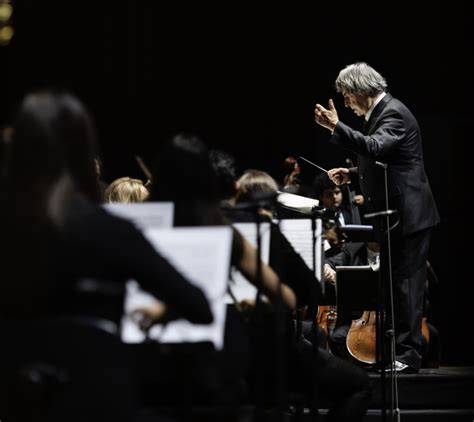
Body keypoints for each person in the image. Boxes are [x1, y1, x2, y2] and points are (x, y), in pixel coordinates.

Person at [0, 91, 212, 326]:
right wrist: (160, 313)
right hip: (96, 361)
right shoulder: (113, 231)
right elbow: (200, 308)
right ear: (84, 152)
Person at [314, 62, 440, 373]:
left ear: (361, 90)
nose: (345, 103)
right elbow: (387, 160)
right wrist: (353, 173)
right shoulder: (382, 114)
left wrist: (336, 127)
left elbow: (375, 147)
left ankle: (408, 356)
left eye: (346, 95)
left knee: (408, 287)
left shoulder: (393, 112)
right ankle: (397, 352)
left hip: (409, 216)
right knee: (396, 286)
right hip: (396, 216)